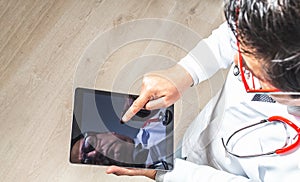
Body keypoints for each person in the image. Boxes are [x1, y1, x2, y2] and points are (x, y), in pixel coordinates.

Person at [105, 0, 300, 181]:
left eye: (249, 69)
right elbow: (239, 35)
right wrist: (185, 71)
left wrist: (168, 173)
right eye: (240, 49)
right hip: (199, 140)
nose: (235, 60)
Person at [70, 107, 174, 170]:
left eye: (89, 145)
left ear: (108, 133)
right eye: (88, 161)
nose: (94, 154)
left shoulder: (157, 121)